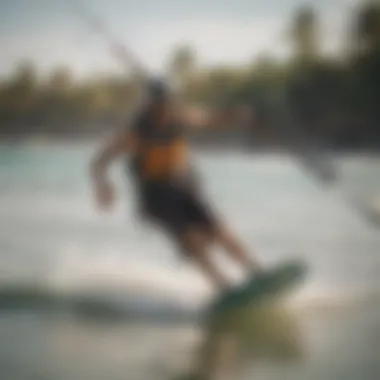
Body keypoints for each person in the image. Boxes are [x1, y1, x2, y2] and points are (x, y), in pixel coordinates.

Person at [90, 78, 261, 291]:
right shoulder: (137, 133)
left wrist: (234, 114)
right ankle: (223, 286)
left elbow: (209, 119)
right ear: (150, 107)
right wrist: (103, 185)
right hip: (155, 197)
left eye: (168, 104)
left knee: (218, 229)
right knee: (191, 238)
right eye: (160, 106)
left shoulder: (181, 118)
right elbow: (100, 160)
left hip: (182, 188)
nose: (165, 110)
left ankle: (256, 273)